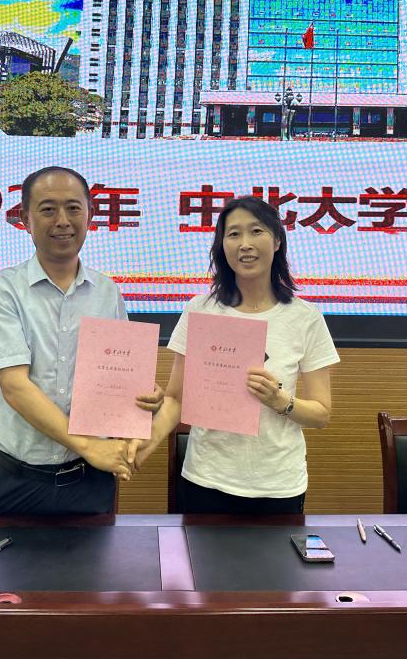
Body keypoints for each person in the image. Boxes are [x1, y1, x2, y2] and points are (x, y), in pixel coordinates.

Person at [0, 166, 162, 515]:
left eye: (74, 208)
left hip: (89, 481)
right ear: (25, 219)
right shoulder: (2, 290)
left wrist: (142, 395)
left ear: (89, 215)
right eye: (48, 209)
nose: (62, 221)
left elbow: (117, 375)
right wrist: (89, 445)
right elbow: (15, 387)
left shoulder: (107, 292)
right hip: (14, 480)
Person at [136, 196, 339, 514]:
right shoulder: (200, 310)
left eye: (256, 231)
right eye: (233, 234)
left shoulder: (305, 317)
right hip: (205, 480)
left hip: (278, 485)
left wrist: (280, 401)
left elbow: (321, 414)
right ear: (222, 245)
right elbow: (175, 398)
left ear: (277, 240)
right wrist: (147, 442)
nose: (245, 244)